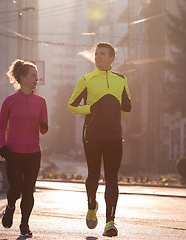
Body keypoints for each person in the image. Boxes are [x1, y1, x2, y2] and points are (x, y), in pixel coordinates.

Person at [67, 42, 131, 237]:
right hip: (92, 136)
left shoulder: (121, 79)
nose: (98, 57)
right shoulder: (86, 79)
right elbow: (71, 106)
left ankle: (110, 222)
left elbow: (127, 105)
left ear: (112, 58)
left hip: (114, 136)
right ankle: (91, 205)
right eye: (96, 54)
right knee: (93, 175)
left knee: (112, 178)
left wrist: (122, 103)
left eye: (102, 54)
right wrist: (91, 108)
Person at [0, 59, 48, 237]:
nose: (36, 78)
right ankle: (10, 206)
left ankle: (24, 224)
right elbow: (0, 127)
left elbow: (44, 129)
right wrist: (2, 145)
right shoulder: (10, 101)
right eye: (33, 75)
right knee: (16, 188)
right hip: (13, 153)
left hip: (33, 153)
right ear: (22, 77)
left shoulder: (41, 101)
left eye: (37, 75)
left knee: (28, 191)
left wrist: (44, 126)